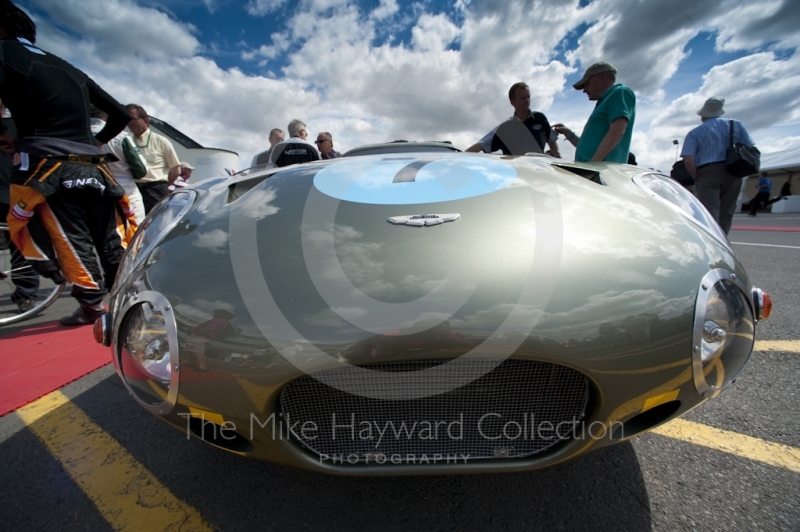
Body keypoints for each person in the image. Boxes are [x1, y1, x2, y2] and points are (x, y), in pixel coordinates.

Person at [0, 1, 137, 325]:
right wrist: (97, 143)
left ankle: (91, 307)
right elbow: (120, 113)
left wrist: (4, 133)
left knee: (70, 238)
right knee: (108, 239)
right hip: (94, 166)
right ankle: (131, 298)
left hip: (48, 165)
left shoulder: (5, 55)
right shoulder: (68, 67)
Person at [680, 97, 756, 234]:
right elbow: (750, 147)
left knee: (708, 211)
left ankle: (710, 241)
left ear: (703, 114)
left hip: (707, 171)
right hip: (734, 170)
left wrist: (696, 177)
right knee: (727, 210)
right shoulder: (736, 125)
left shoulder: (695, 132)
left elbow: (688, 160)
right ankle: (723, 241)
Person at [553, 62, 636, 164]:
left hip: (601, 173)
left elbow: (617, 132)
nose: (584, 90)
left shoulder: (620, 92)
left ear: (601, 78)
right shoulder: (603, 102)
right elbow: (588, 147)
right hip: (593, 170)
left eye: (587, 84)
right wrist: (568, 133)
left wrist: (592, 166)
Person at [466, 82, 560, 157]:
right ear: (512, 102)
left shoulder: (540, 119)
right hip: (517, 174)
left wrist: (558, 160)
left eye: (528, 97)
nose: (527, 101)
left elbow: (552, 140)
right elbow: (481, 145)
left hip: (539, 173)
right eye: (523, 98)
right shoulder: (505, 128)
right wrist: (457, 158)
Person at [90, 107, 147, 224]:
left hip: (92, 190)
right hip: (125, 191)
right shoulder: (121, 136)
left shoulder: (77, 135)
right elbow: (141, 169)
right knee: (135, 232)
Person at [126, 103, 180, 213]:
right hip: (133, 190)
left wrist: (162, 185)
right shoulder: (127, 142)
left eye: (132, 119)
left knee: (157, 225)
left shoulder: (161, 141)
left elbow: (175, 169)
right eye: (127, 119)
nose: (129, 123)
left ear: (145, 120)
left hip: (155, 190)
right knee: (134, 225)